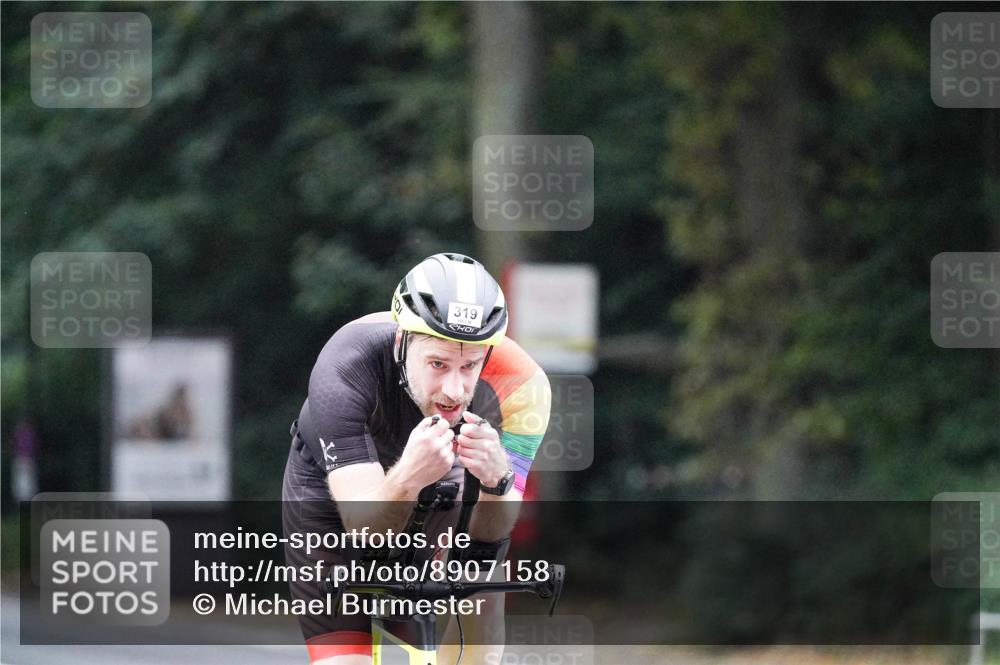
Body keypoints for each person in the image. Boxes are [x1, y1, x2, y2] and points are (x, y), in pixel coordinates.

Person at [282, 252, 551, 665]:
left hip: (445, 479)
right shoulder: (345, 367)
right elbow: (364, 528)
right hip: (331, 489)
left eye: (470, 366)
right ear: (401, 342)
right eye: (438, 364)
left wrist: (498, 484)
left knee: (479, 578)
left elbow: (491, 539)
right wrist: (407, 478)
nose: (455, 390)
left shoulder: (524, 388)